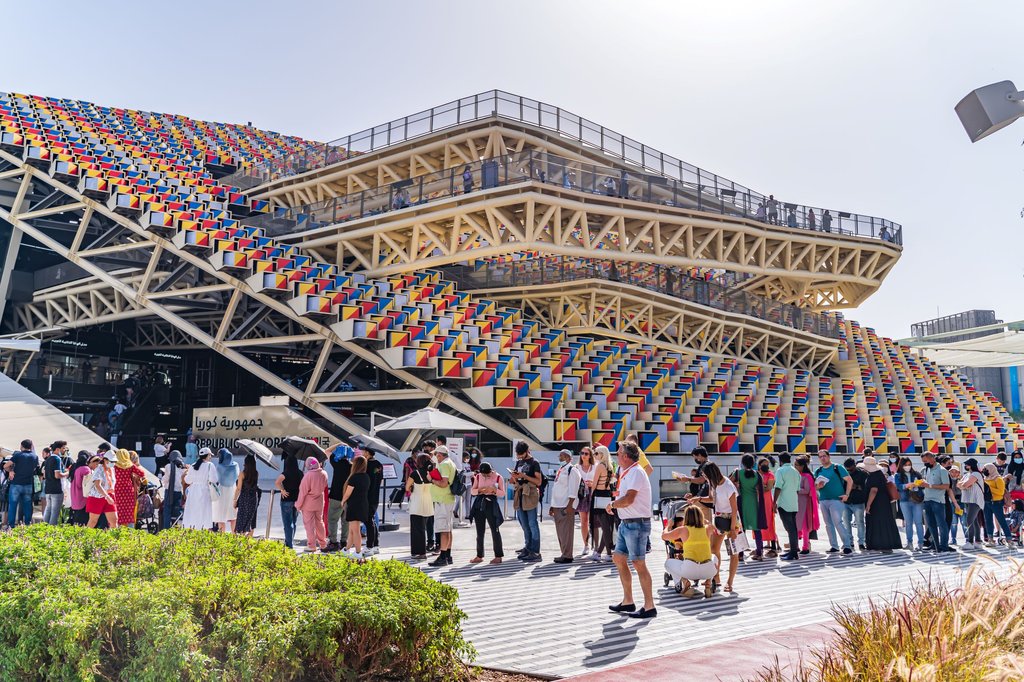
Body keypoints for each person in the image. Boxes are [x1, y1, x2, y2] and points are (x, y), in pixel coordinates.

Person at [607, 442, 656, 619]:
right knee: (619, 558)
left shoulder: (635, 471)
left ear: (626, 456)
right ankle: (628, 601)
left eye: (619, 453)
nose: (616, 456)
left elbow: (629, 499)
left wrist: (612, 504)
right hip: (627, 522)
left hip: (636, 523)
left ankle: (649, 606)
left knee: (638, 563)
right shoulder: (627, 471)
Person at [695, 462, 739, 592]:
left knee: (733, 553)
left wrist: (732, 530)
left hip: (732, 520)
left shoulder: (728, 486)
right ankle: (716, 577)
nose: (703, 477)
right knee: (714, 549)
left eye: (704, 474)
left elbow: (734, 509)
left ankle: (730, 582)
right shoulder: (712, 483)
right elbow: (710, 499)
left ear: (711, 474)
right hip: (719, 519)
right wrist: (696, 499)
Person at [663, 504, 718, 598]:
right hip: (708, 570)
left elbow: (664, 536)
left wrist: (668, 526)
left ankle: (684, 582)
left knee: (668, 563)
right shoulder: (707, 528)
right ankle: (708, 583)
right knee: (714, 557)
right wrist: (705, 521)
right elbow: (714, 529)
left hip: (690, 570)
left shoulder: (683, 530)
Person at [812, 450, 853, 554]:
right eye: (820, 457)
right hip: (823, 499)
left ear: (829, 456)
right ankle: (834, 546)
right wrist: (818, 486)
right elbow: (815, 487)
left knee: (838, 522)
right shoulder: (818, 470)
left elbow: (849, 480)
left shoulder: (837, 467)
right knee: (828, 524)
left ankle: (847, 545)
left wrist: (847, 495)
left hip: (836, 499)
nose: (822, 458)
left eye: (824, 456)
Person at [510, 441, 543, 563]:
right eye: (517, 454)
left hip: (530, 494)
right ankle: (528, 547)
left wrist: (524, 476)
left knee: (532, 523)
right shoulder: (519, 462)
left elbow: (538, 481)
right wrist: (513, 477)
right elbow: (516, 478)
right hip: (520, 493)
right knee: (523, 523)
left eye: (520, 454)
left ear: (526, 451)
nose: (518, 456)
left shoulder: (534, 463)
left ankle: (535, 551)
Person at [862, 456, 902, 553]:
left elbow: (874, 490)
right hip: (883, 502)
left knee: (877, 522)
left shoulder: (873, 475)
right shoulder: (879, 474)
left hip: (876, 502)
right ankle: (886, 545)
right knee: (884, 522)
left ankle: (880, 545)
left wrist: (868, 504)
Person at [731, 454, 767, 560]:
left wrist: (737, 485)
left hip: (741, 503)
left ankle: (741, 554)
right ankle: (759, 553)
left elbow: (729, 482)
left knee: (741, 529)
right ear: (753, 463)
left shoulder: (738, 473)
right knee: (757, 529)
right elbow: (759, 489)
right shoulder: (757, 474)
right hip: (754, 503)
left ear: (742, 462)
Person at [469, 462, 505, 564]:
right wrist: (480, 490)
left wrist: (494, 490)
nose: (485, 476)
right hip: (480, 503)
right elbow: (473, 491)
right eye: (483, 475)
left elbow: (503, 493)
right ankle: (479, 555)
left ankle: (498, 556)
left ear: (491, 471)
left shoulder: (498, 477)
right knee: (479, 531)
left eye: (487, 475)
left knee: (495, 530)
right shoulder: (478, 476)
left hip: (491, 503)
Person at [549, 449, 581, 564]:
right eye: (559, 456)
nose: (559, 458)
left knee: (566, 531)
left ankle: (567, 555)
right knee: (561, 532)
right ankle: (564, 553)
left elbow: (574, 489)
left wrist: (570, 505)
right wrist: (552, 506)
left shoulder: (572, 470)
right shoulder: (562, 469)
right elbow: (556, 488)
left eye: (562, 456)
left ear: (568, 458)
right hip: (558, 504)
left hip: (566, 505)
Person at [428, 446, 458, 567]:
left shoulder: (444, 465)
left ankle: (443, 556)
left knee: (443, 530)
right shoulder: (450, 463)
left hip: (442, 500)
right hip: (447, 499)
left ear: (440, 455)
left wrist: (431, 480)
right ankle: (448, 555)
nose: (435, 457)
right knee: (448, 529)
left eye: (436, 455)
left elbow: (444, 483)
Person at [920, 452, 952, 552]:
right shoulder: (926, 469)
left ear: (932, 458)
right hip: (927, 500)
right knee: (931, 525)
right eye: (923, 462)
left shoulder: (942, 470)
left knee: (942, 524)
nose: (924, 463)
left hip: (938, 501)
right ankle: (936, 546)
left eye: (926, 461)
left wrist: (929, 486)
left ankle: (944, 546)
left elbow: (946, 486)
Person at [773, 453, 802, 560]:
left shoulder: (780, 471)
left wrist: (774, 502)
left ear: (780, 460)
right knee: (793, 528)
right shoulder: (796, 471)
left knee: (790, 529)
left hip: (784, 503)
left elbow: (778, 487)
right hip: (793, 503)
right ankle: (793, 551)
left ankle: (793, 552)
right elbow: (797, 489)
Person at [588, 445, 615, 562]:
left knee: (604, 526)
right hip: (607, 495)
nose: (594, 455)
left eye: (596, 453)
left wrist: (591, 494)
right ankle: (606, 553)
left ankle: (602, 553)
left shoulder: (599, 466)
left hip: (598, 495)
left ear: (602, 454)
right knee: (607, 526)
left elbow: (594, 484)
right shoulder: (610, 466)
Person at [325, 443, 354, 552]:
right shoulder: (352, 466)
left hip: (335, 496)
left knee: (332, 520)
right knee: (345, 521)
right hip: (348, 497)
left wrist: (338, 444)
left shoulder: (336, 463)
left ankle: (333, 542)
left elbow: (326, 451)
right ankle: (344, 541)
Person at [341, 455, 371, 558]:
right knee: (352, 530)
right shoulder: (366, 477)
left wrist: (343, 501)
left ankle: (358, 552)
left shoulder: (354, 477)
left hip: (354, 505)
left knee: (355, 530)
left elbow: (348, 493)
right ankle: (347, 549)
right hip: (363, 504)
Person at [406, 453, 435, 559]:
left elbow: (407, 487)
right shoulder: (432, 474)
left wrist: (412, 487)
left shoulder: (415, 473)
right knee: (424, 528)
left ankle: (420, 552)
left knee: (417, 529)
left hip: (417, 503)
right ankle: (421, 551)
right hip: (428, 503)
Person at [894, 456, 925, 551]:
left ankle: (920, 543)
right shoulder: (898, 475)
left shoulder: (916, 474)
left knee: (919, 522)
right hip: (904, 500)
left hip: (917, 500)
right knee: (908, 523)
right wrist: (907, 485)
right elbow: (898, 487)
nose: (908, 466)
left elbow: (923, 486)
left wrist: (918, 484)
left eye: (909, 464)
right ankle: (909, 542)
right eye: (905, 465)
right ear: (901, 465)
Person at [182, 447, 215, 531]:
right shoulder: (210, 465)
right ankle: (203, 532)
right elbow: (214, 479)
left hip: (193, 491)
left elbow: (187, 480)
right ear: (207, 455)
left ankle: (193, 530)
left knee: (193, 512)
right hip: (204, 491)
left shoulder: (193, 465)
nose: (210, 457)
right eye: (210, 455)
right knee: (204, 512)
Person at [112, 448, 146, 528]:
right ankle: (130, 532)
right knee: (129, 512)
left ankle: (118, 529)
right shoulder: (130, 465)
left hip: (117, 490)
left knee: (118, 510)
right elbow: (142, 473)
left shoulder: (114, 466)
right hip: (128, 491)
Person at [957, 458, 986, 550]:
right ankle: (978, 541)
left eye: (967, 464)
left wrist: (963, 485)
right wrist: (963, 484)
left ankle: (970, 541)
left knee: (969, 520)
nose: (966, 466)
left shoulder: (976, 474)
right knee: (974, 521)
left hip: (975, 500)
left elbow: (964, 485)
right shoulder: (967, 475)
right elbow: (959, 484)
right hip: (969, 499)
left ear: (971, 465)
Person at [275, 453, 303, 549]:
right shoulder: (300, 473)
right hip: (297, 500)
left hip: (286, 500)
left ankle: (289, 544)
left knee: (287, 523)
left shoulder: (285, 473)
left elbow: (277, 482)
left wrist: (282, 490)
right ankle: (290, 540)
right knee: (294, 522)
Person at [7, 440, 37, 527]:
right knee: (27, 505)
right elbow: (34, 468)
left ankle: (11, 525)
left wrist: (11, 471)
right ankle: (28, 524)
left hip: (16, 483)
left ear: (21, 446)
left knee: (13, 505)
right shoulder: (35, 456)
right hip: (28, 483)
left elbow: (6, 466)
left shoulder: (18, 455)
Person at [983, 463, 1014, 546]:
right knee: (988, 521)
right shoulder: (985, 479)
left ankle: (1009, 540)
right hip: (987, 502)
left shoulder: (998, 479)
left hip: (997, 502)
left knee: (1002, 521)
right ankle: (990, 540)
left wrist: (989, 488)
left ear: (991, 469)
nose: (984, 471)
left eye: (986, 469)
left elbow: (1000, 492)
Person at [86, 451, 118, 528]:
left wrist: (109, 496)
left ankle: (114, 539)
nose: (113, 463)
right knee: (93, 521)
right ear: (105, 460)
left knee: (114, 520)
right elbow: (98, 485)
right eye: (112, 461)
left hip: (109, 495)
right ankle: (83, 537)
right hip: (97, 497)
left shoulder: (112, 469)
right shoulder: (99, 469)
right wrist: (107, 497)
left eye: (115, 461)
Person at [843, 456, 868, 550]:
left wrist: (855, 486)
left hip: (858, 502)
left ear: (854, 465)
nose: (849, 471)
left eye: (851, 469)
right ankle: (849, 542)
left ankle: (861, 542)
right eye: (847, 469)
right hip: (846, 502)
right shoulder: (843, 474)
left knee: (860, 522)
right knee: (846, 523)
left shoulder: (863, 474)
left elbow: (866, 488)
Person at [211, 448, 239, 533]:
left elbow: (215, 479)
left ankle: (221, 536)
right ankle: (234, 536)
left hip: (222, 492)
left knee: (220, 516)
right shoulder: (236, 465)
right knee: (233, 516)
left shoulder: (219, 467)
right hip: (232, 492)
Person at [233, 454, 260, 537]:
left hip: (244, 497)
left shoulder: (242, 474)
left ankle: (242, 536)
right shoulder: (256, 473)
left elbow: (239, 488)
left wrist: (234, 500)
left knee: (242, 516)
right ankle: (249, 535)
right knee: (251, 517)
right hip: (253, 498)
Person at [363, 448, 383, 556]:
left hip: (367, 496)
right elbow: (380, 478)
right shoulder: (379, 465)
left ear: (368, 453)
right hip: (376, 495)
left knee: (368, 521)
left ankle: (369, 546)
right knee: (371, 520)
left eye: (364, 452)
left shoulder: (366, 465)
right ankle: (375, 545)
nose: (362, 453)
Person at [758, 457, 779, 557]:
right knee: (758, 523)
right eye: (764, 464)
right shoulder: (756, 474)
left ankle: (774, 547)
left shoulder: (770, 474)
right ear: (759, 465)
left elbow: (768, 488)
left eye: (767, 464)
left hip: (767, 501)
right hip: (757, 501)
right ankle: (759, 546)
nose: (766, 466)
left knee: (769, 522)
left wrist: (758, 486)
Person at [160, 449, 186, 530]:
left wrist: (163, 481)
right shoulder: (183, 467)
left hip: (169, 492)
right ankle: (175, 528)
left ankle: (166, 530)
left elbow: (165, 479)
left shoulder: (168, 466)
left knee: (167, 511)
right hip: (179, 492)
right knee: (176, 511)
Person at [42, 444, 67, 525]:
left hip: (48, 488)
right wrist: (67, 473)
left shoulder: (47, 459)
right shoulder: (57, 459)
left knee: (48, 509)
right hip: (56, 489)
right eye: (63, 448)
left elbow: (45, 475)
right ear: (57, 449)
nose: (64, 450)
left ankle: (44, 528)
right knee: (55, 512)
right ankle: (52, 531)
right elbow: (57, 475)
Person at [577, 446, 595, 555]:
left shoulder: (595, 467)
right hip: (581, 495)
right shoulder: (577, 467)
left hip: (592, 495)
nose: (583, 455)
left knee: (593, 522)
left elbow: (599, 482)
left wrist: (592, 484)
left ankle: (595, 544)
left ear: (590, 456)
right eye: (582, 453)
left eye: (586, 454)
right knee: (584, 522)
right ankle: (585, 545)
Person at [68, 450, 91, 525]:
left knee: (76, 520)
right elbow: (82, 484)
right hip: (82, 497)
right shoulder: (85, 469)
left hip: (74, 496)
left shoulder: (74, 467)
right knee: (84, 521)